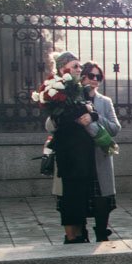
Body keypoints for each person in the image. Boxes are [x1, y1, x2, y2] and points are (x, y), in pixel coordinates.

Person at [46, 52, 97, 244]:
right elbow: (61, 117)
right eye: (75, 66)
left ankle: (80, 230)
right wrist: (85, 112)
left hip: (83, 149)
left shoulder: (80, 89)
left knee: (82, 191)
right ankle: (71, 235)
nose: (79, 69)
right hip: (68, 149)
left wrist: (91, 115)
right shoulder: (54, 89)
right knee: (70, 193)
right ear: (62, 69)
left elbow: (94, 112)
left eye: (79, 66)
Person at [77, 63, 121, 241]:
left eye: (98, 77)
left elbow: (115, 128)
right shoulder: (73, 99)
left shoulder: (105, 101)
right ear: (82, 77)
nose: (95, 80)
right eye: (90, 75)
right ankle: (82, 233)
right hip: (79, 155)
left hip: (99, 155)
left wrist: (96, 117)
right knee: (80, 195)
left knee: (102, 196)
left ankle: (102, 231)